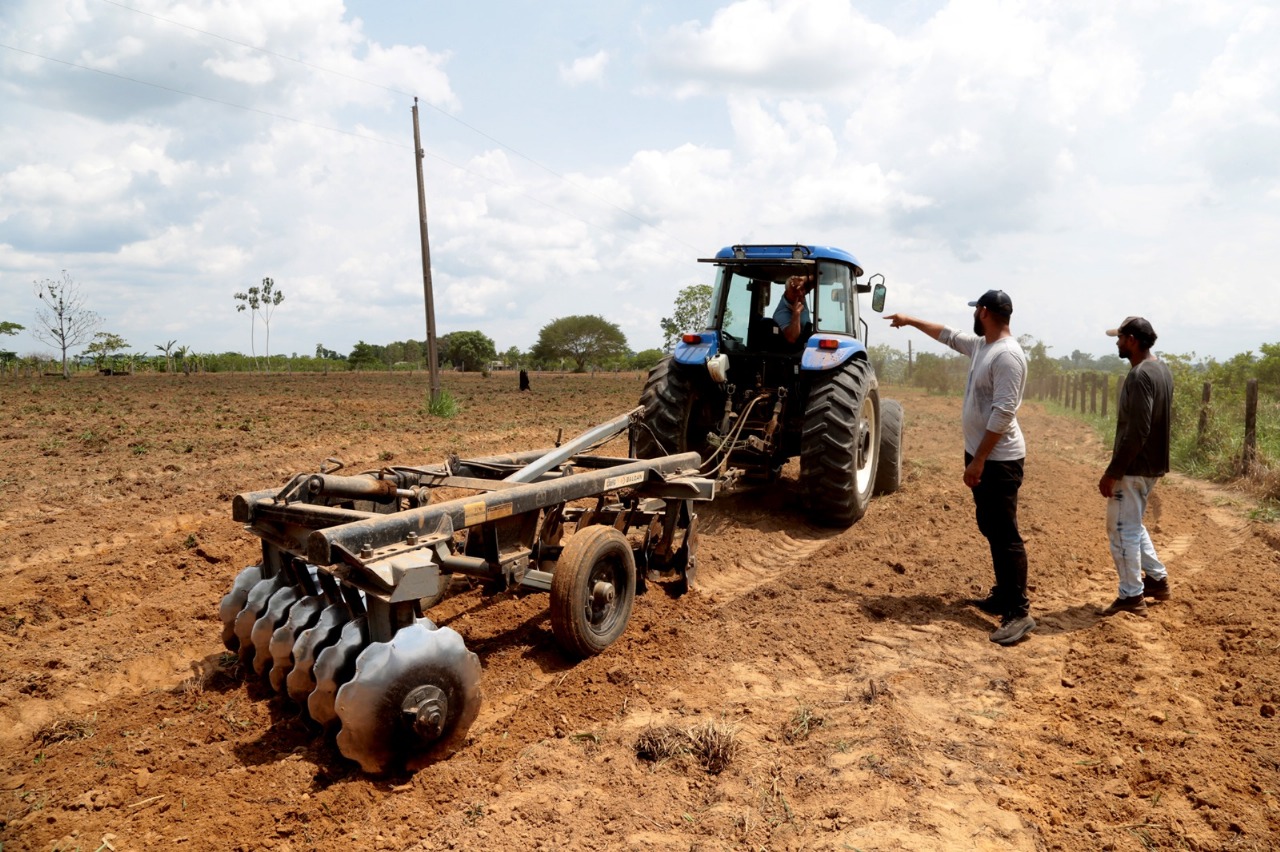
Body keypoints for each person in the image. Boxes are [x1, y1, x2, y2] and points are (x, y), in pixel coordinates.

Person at [885, 290, 1035, 646]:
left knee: (1005, 532)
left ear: (983, 312)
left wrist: (980, 459)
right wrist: (910, 320)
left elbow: (1003, 413)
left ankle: (1018, 611)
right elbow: (948, 335)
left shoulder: (1007, 355)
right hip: (982, 455)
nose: (972, 316)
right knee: (990, 525)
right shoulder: (983, 346)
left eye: (975, 310)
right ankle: (1002, 594)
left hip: (999, 459)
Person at [1098, 316, 1174, 617]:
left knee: (1120, 530)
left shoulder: (1140, 375)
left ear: (1131, 340)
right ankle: (1156, 579)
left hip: (1134, 467)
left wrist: (1113, 470)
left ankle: (1131, 596)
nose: (1117, 343)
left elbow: (1138, 430)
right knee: (1132, 524)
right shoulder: (1162, 370)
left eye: (1119, 338)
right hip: (1152, 465)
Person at [773, 274, 815, 345]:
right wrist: (796, 313)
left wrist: (803, 279)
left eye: (801, 289)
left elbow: (819, 276)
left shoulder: (801, 294)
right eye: (795, 291)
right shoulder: (780, 314)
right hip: (794, 351)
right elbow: (792, 338)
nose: (800, 294)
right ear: (786, 293)